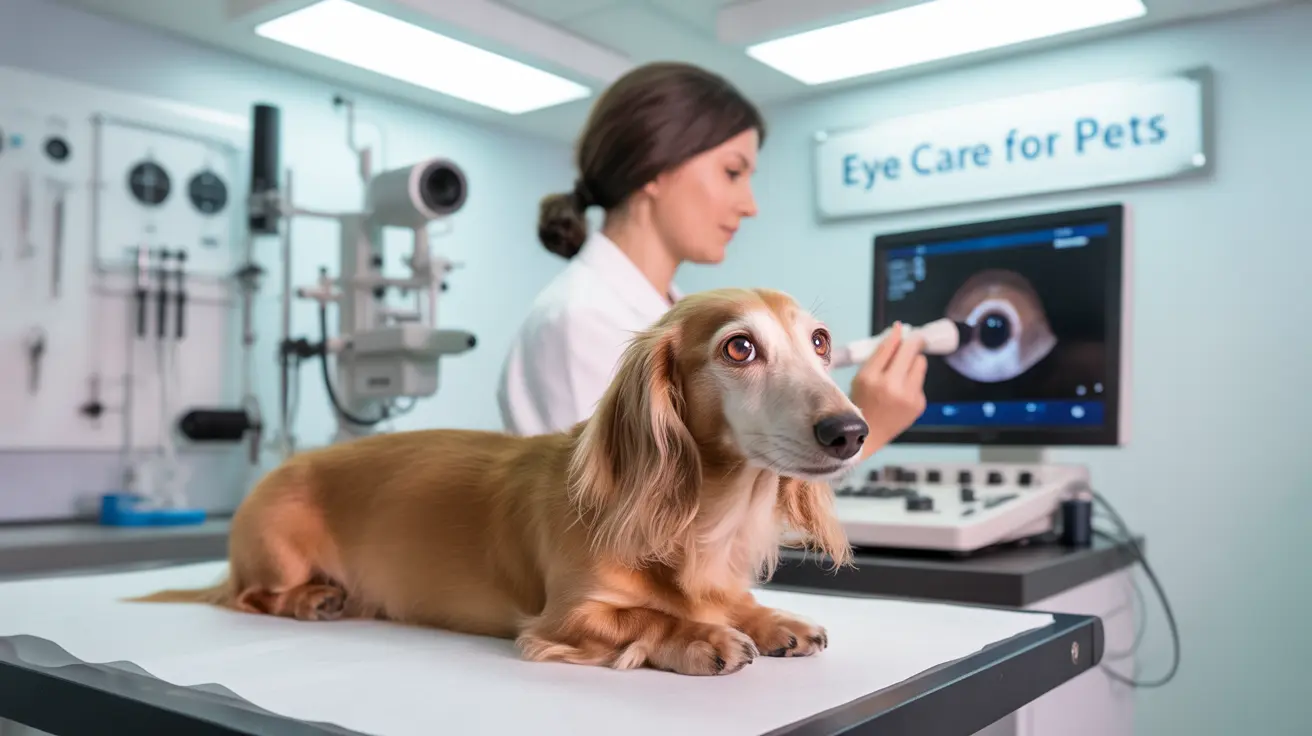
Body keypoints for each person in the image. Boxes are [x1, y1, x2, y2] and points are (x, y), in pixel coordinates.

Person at [497, 61, 927, 458]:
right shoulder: (579, 320)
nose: (750, 205)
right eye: (732, 172)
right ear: (653, 168)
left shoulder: (673, 313)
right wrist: (864, 428)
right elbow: (613, 507)